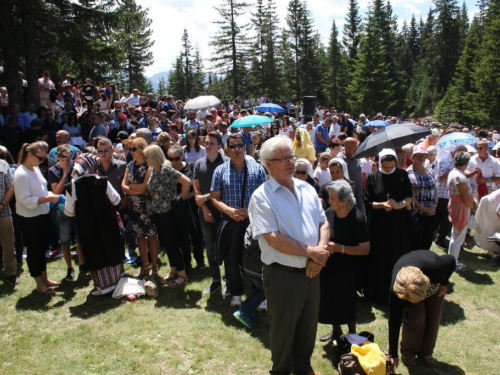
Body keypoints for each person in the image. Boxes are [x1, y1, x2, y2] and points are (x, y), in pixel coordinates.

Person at [248, 136, 330, 375]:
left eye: (291, 156)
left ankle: (303, 368)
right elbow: (272, 238)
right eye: (283, 158)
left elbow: (323, 224)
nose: (290, 162)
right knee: (283, 333)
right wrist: (311, 252)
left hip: (312, 271)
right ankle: (281, 371)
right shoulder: (262, 197)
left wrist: (317, 256)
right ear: (268, 164)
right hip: (283, 275)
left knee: (307, 329)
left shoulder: (306, 188)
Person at [210, 133, 267, 308]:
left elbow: (265, 197)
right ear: (227, 149)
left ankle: (257, 295)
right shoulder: (220, 170)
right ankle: (235, 292)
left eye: (240, 145)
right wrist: (229, 211)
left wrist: (248, 212)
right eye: (233, 146)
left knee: (254, 259)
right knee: (231, 258)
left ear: (245, 146)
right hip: (230, 221)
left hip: (253, 221)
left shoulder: (257, 169)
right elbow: (214, 197)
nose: (237, 149)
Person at [64, 153, 124, 295]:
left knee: (94, 251)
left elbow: (69, 211)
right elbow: (116, 200)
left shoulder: (72, 186)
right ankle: (116, 281)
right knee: (110, 247)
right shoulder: (102, 181)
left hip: (87, 226)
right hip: (107, 223)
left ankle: (102, 286)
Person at [318, 180, 370, 342]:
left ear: (345, 200)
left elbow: (364, 249)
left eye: (333, 198)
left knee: (347, 301)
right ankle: (336, 331)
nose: (329, 200)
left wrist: (340, 248)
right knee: (330, 298)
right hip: (330, 267)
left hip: (349, 269)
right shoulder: (329, 213)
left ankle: (352, 334)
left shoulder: (358, 218)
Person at [389, 250, 455, 369]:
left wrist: (444, 283)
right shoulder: (397, 286)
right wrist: (393, 354)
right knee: (417, 317)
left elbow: (451, 260)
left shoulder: (436, 266)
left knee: (433, 317)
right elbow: (394, 320)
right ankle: (408, 352)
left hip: (432, 281)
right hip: (412, 286)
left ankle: (426, 353)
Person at [364, 148, 413, 304]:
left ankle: (398, 289)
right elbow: (368, 201)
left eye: (391, 166)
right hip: (378, 224)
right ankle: (377, 292)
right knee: (378, 257)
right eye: (385, 166)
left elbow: (409, 197)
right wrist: (382, 205)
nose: (388, 169)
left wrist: (398, 205)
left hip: (398, 224)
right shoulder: (373, 177)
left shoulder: (402, 175)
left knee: (396, 255)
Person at [13, 142, 61, 295]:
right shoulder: (21, 173)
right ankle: (39, 284)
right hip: (29, 218)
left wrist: (50, 197)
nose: (42, 161)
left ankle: (45, 278)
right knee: (34, 250)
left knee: (42, 248)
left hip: (41, 214)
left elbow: (41, 190)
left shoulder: (35, 169)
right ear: (29, 155)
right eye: (40, 158)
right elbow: (23, 200)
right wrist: (47, 199)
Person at [143, 145, 191, 287]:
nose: (145, 160)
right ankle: (173, 270)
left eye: (147, 157)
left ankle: (182, 274)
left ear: (153, 156)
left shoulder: (166, 169)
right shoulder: (153, 170)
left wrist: (180, 200)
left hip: (168, 213)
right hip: (157, 213)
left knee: (173, 244)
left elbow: (186, 182)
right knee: (167, 243)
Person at [193, 131, 230, 294]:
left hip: (224, 212)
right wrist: (204, 208)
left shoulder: (227, 163)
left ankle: (230, 280)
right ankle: (216, 280)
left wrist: (206, 198)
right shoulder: (199, 163)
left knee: (227, 247)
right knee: (210, 247)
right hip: (205, 213)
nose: (207, 146)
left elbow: (223, 190)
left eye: (211, 143)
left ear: (219, 146)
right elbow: (196, 187)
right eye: (206, 143)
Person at [121, 138, 160, 277]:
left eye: (133, 149)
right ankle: (145, 266)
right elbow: (123, 185)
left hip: (148, 206)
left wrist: (131, 187)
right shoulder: (130, 165)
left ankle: (154, 267)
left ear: (141, 149)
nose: (131, 152)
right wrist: (134, 189)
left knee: (152, 236)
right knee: (139, 237)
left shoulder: (149, 165)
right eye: (129, 149)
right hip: (134, 207)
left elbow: (145, 187)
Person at [168, 144, 206, 270]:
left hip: (192, 205)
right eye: (171, 159)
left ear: (182, 156)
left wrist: (184, 196)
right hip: (177, 207)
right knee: (182, 235)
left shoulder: (191, 167)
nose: (174, 162)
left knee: (196, 233)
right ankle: (186, 261)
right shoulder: (168, 170)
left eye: (177, 158)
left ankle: (200, 260)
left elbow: (197, 187)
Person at [47, 145, 82, 281]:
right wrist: (65, 175)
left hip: (77, 206)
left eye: (68, 160)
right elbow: (56, 191)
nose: (67, 163)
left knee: (80, 238)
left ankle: (83, 264)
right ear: (58, 157)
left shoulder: (76, 165)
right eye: (63, 160)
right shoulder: (53, 170)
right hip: (62, 208)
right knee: (65, 239)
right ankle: (69, 268)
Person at [406, 145, 439, 251]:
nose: (421, 158)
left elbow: (436, 189)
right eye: (418, 155)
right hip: (417, 213)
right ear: (413, 157)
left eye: (423, 155)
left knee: (428, 241)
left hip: (431, 212)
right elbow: (409, 195)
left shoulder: (430, 171)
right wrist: (421, 208)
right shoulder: (408, 173)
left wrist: (435, 204)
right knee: (416, 242)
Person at [447, 151, 476, 271]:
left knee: (456, 235)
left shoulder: (456, 173)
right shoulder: (459, 177)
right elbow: (466, 197)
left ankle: (451, 260)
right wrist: (473, 207)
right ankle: (452, 262)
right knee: (458, 237)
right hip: (461, 207)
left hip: (458, 205)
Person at [0, 158, 18, 285]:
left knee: (9, 245)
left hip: (3, 211)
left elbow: (11, 187)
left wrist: (1, 205)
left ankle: (10, 273)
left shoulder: (3, 164)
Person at [337, 137, 365, 215]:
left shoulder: (356, 157)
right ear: (346, 147)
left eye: (357, 146)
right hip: (348, 196)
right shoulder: (341, 159)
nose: (356, 149)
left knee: (363, 217)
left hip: (359, 194)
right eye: (354, 147)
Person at [473, 189, 500, 254]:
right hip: (490, 204)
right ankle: (493, 251)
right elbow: (498, 212)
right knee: (490, 228)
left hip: (496, 205)